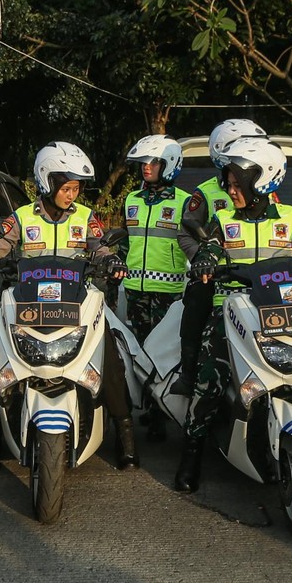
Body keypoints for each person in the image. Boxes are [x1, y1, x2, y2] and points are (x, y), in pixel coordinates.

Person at [173, 137, 292, 492]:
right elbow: (211, 247)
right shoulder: (223, 219)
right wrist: (204, 259)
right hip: (234, 311)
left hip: (288, 310)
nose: (230, 190)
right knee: (210, 383)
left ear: (259, 182)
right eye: (229, 183)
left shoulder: (291, 217)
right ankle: (192, 454)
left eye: (236, 183)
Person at [0, 141, 140, 472]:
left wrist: (111, 262)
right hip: (28, 304)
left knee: (110, 360)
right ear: (47, 182)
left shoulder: (86, 217)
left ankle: (125, 436)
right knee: (0, 363)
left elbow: (100, 247)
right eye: (66, 187)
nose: (71, 194)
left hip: (77, 303)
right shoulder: (21, 217)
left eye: (75, 188)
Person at [173, 119, 268, 396]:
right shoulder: (205, 192)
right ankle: (189, 374)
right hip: (217, 278)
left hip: (261, 281)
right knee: (195, 305)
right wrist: (205, 262)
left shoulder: (265, 191)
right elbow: (185, 233)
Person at [122, 135, 190, 440]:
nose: (146, 168)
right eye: (143, 163)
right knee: (139, 352)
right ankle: (149, 407)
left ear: (170, 165)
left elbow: (194, 245)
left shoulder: (186, 202)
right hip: (135, 289)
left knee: (163, 354)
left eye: (153, 162)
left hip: (169, 292)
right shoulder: (131, 200)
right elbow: (126, 241)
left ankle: (163, 412)